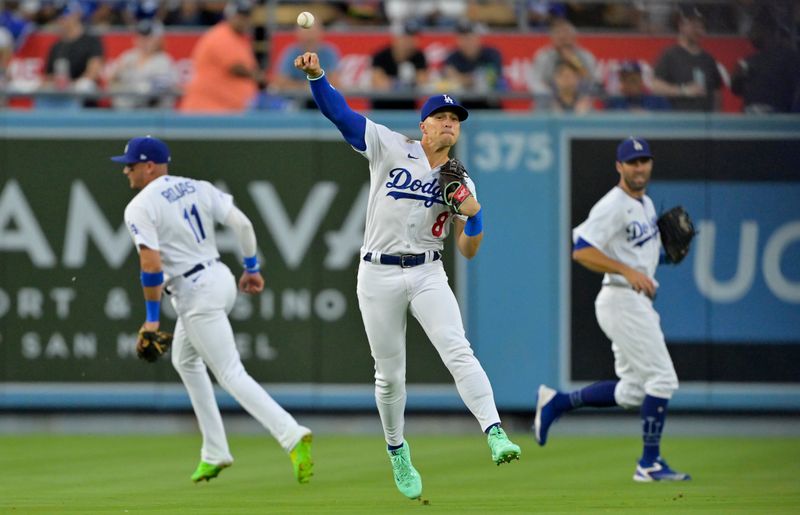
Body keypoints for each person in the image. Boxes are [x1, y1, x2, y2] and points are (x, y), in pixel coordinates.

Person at [293, 51, 521, 501]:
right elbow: (339, 114)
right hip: (377, 273)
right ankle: (397, 449)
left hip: (427, 272)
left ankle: (494, 432)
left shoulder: (461, 180)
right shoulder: (391, 145)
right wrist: (318, 76)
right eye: (440, 116)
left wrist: (473, 217)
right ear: (423, 125)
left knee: (457, 349)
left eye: (455, 119)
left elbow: (468, 251)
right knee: (390, 374)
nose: (449, 123)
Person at [111, 135, 313, 484]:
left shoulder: (140, 206)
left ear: (149, 166)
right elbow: (243, 225)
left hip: (194, 292)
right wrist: (251, 268)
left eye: (130, 164)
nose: (125, 170)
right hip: (220, 277)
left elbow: (150, 265)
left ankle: (291, 434)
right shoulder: (198, 187)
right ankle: (215, 451)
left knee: (230, 373)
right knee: (185, 360)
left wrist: (152, 319)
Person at [534, 137, 691, 483]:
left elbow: (639, 258)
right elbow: (581, 250)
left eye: (644, 161)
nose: (639, 168)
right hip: (620, 299)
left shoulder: (646, 204)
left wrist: (659, 259)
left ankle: (557, 402)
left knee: (634, 390)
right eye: (632, 162)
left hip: (634, 301)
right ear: (619, 167)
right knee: (663, 379)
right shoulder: (613, 205)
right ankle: (649, 464)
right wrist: (628, 271)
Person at [179, 0, 264, 113]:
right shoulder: (221, 36)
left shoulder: (239, 39)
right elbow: (236, 68)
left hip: (224, 110)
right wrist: (259, 76)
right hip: (206, 110)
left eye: (247, 16)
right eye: (240, 16)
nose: (244, 20)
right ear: (230, 16)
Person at [651, 8, 723, 112]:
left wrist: (717, 117)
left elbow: (717, 92)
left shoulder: (709, 59)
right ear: (681, 26)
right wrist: (684, 91)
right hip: (679, 121)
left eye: (701, 26)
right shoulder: (669, 55)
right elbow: (655, 86)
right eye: (694, 25)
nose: (698, 30)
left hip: (706, 122)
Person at [730, 11, 800, 113]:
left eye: (755, 29)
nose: (751, 34)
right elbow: (736, 90)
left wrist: (793, 115)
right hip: (750, 116)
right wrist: (736, 77)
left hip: (779, 117)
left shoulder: (789, 57)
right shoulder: (748, 61)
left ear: (770, 32)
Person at [39, 2, 104, 109]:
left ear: (76, 15)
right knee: (42, 88)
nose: (62, 20)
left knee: (85, 85)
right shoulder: (57, 46)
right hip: (61, 88)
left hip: (80, 88)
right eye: (60, 16)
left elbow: (93, 72)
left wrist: (72, 85)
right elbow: (48, 75)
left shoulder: (92, 41)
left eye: (65, 15)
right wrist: (58, 82)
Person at [106, 19, 177, 110]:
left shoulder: (164, 61)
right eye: (140, 37)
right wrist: (117, 72)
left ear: (157, 40)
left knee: (143, 89)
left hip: (153, 113)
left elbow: (161, 88)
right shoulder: (128, 57)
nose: (143, 41)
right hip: (126, 112)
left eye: (148, 38)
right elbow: (110, 80)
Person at [273, 22, 340, 108]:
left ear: (321, 33)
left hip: (324, 103)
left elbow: (335, 82)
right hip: (295, 104)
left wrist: (312, 87)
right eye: (306, 33)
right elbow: (280, 82)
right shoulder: (291, 53)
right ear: (298, 35)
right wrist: (306, 86)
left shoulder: (329, 53)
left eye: (312, 33)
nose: (309, 37)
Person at [443, 20, 504, 110]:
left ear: (477, 39)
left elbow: (490, 78)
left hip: (489, 103)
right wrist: (472, 79)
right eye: (462, 38)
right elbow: (449, 78)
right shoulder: (452, 57)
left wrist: (463, 79)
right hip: (463, 104)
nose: (466, 42)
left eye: (469, 38)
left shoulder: (492, 54)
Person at [529, 18, 597, 99]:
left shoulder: (585, 56)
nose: (564, 42)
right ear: (552, 39)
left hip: (580, 98)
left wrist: (575, 61)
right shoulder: (544, 56)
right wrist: (552, 97)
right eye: (560, 38)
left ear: (574, 38)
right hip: (550, 98)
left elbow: (592, 81)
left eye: (566, 37)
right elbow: (535, 81)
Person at [370, 20, 429, 111]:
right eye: (406, 37)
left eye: (414, 37)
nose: (410, 41)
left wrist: (394, 83)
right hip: (382, 106)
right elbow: (378, 82)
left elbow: (422, 81)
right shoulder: (381, 55)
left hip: (408, 107)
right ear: (397, 38)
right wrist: (406, 83)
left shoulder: (418, 56)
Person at [604, 60, 671, 112]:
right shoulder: (614, 101)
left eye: (632, 79)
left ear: (642, 80)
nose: (626, 84)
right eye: (623, 79)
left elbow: (668, 125)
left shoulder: (658, 100)